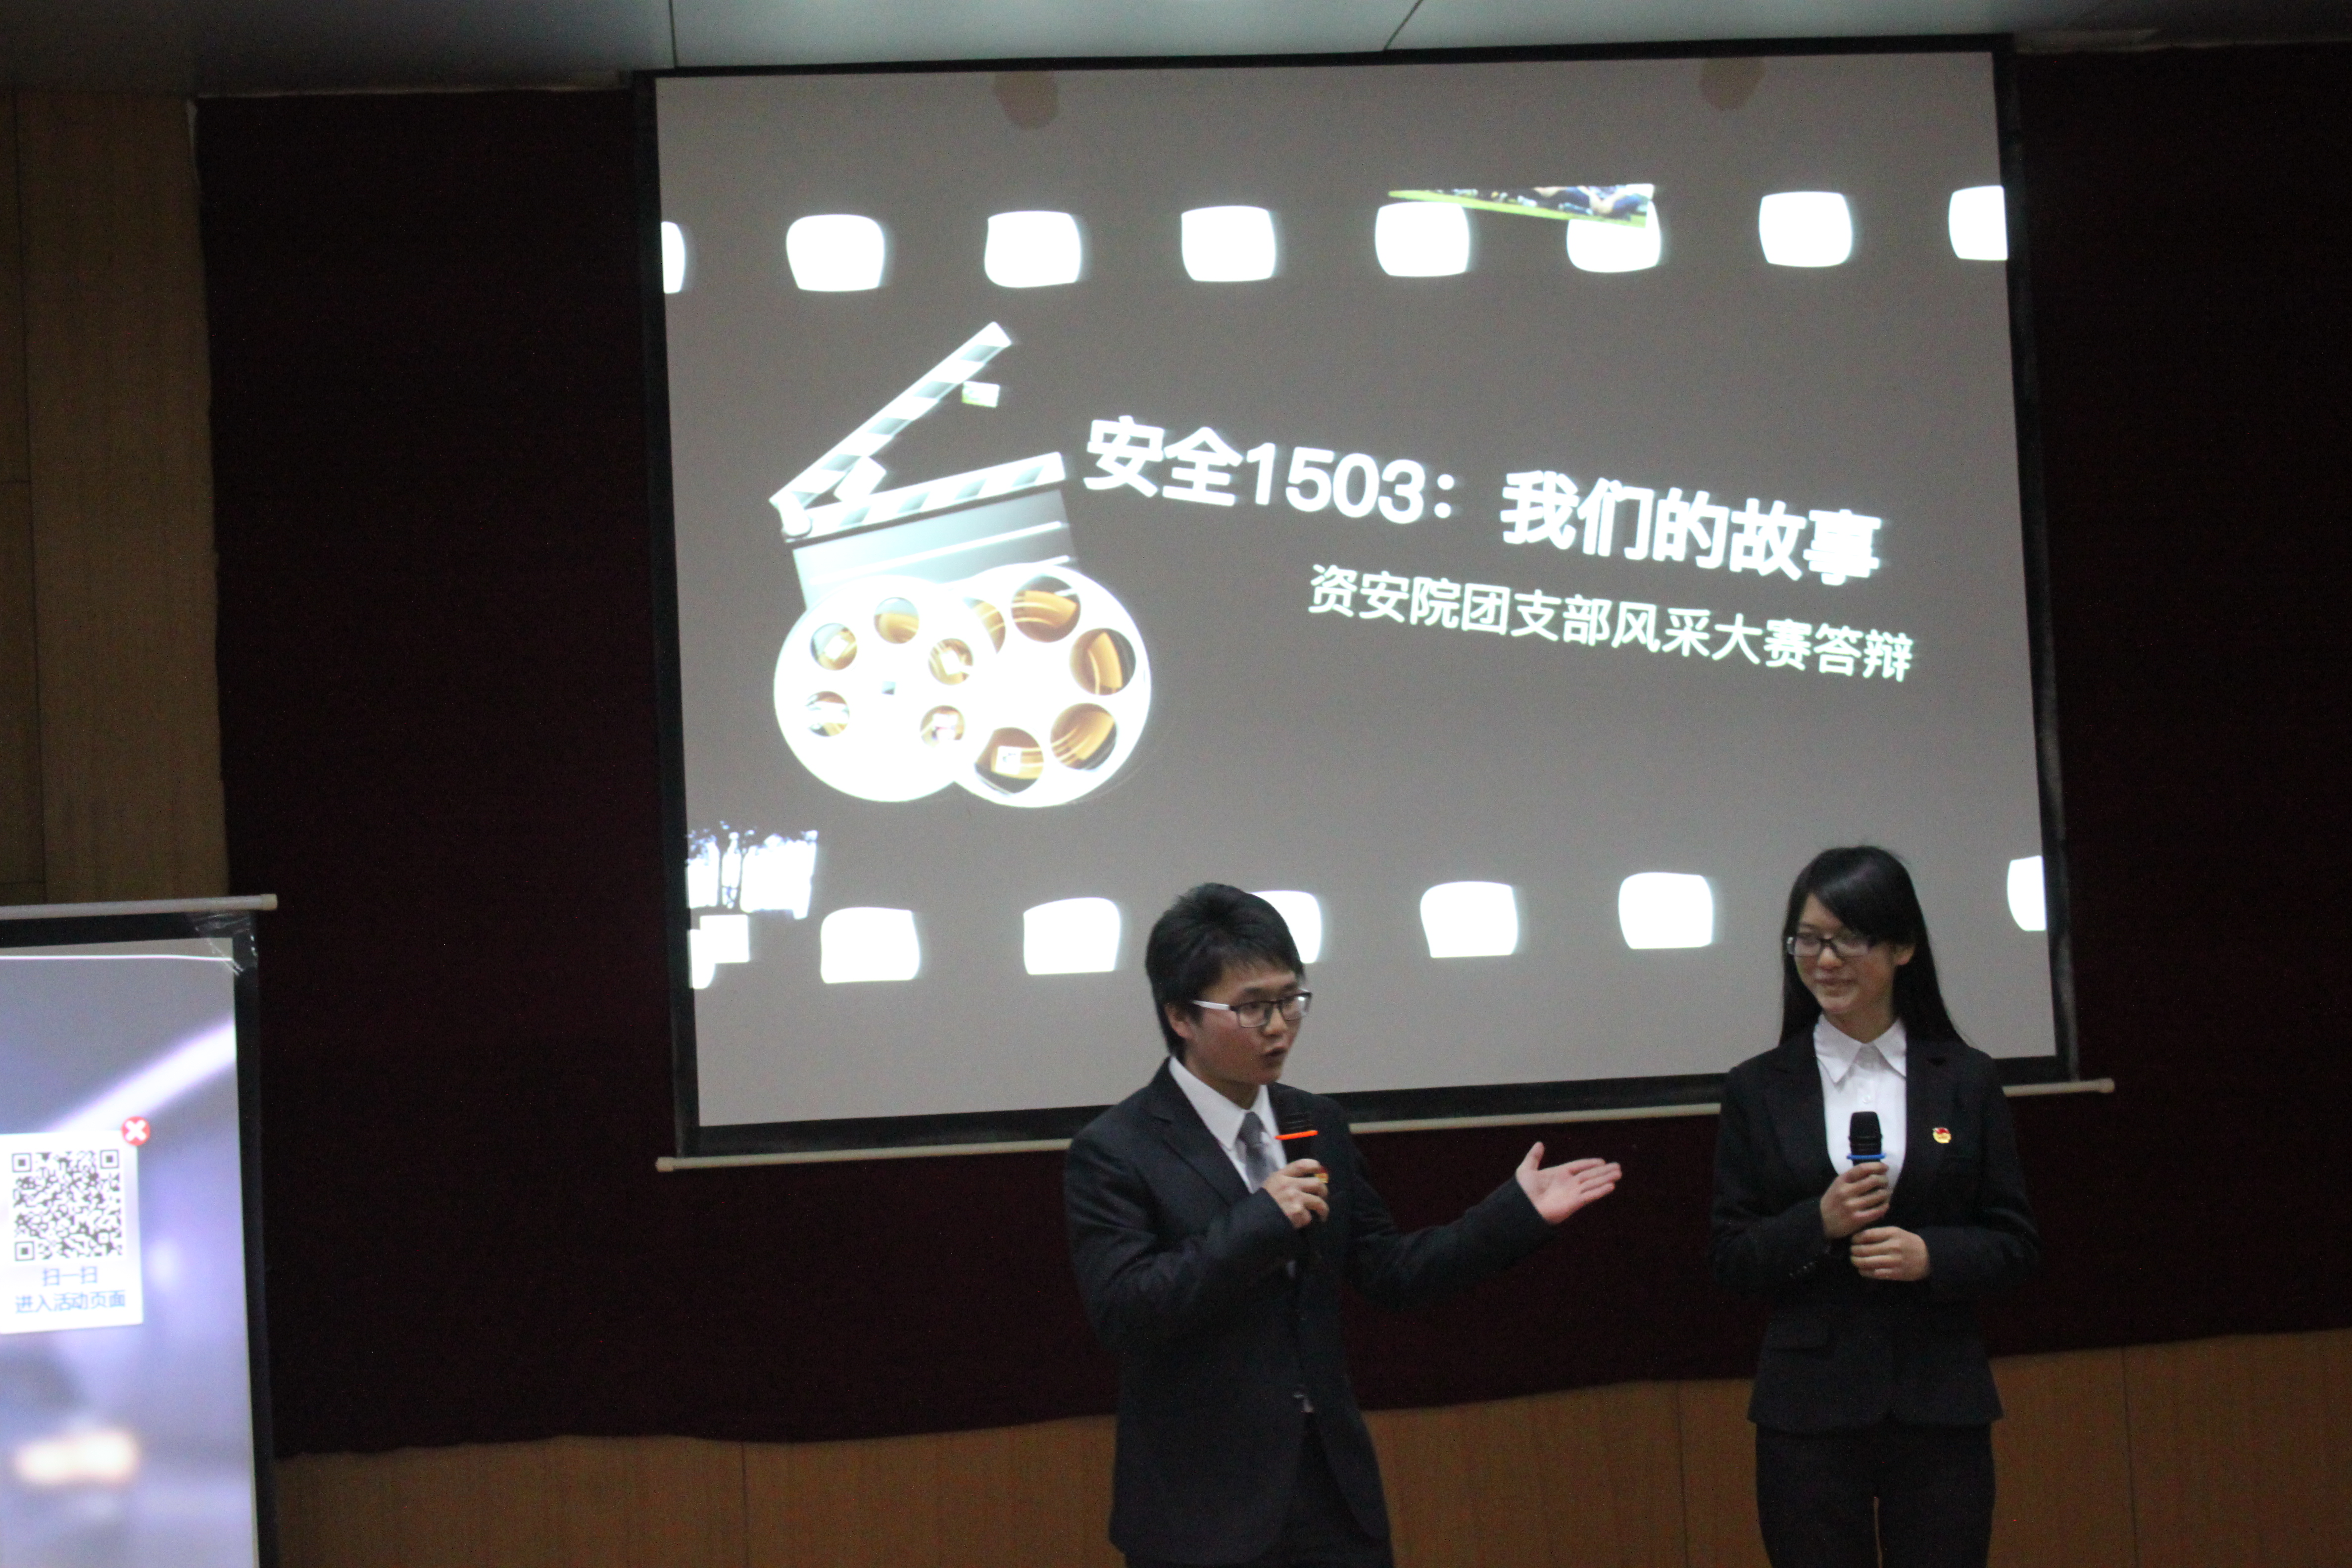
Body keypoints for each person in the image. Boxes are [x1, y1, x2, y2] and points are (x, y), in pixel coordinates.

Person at [1065, 883, 1622, 1568]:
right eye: (1252, 1008)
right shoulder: (1117, 1149)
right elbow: (1126, 1312)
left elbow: (1391, 1273)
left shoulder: (1315, 1122)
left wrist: (1513, 1216)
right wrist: (1260, 1221)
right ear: (1180, 1015)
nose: (1278, 1027)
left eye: (1290, 1000)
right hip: (1202, 1509)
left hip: (1331, 1492)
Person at [1711, 847, 2040, 1568]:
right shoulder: (1758, 1088)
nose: (1825, 960)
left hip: (1939, 1398)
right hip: (1809, 1409)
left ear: (1903, 947)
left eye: (1849, 939)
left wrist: (1931, 1256)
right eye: (1807, 940)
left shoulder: (1967, 1079)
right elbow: (1730, 1257)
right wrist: (1817, 1223)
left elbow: (2015, 1243)